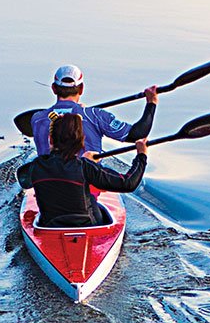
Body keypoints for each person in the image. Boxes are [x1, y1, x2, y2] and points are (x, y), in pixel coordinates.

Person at [18, 112, 147, 227]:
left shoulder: (36, 165)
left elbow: (25, 182)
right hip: (89, 225)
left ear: (51, 139)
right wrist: (141, 155)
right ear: (82, 142)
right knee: (91, 198)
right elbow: (128, 183)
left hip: (51, 225)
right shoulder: (85, 167)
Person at [29, 64, 158, 156]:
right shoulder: (95, 116)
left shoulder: (37, 119)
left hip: (46, 182)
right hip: (88, 184)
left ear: (54, 88)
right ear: (81, 89)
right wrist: (151, 103)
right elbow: (138, 134)